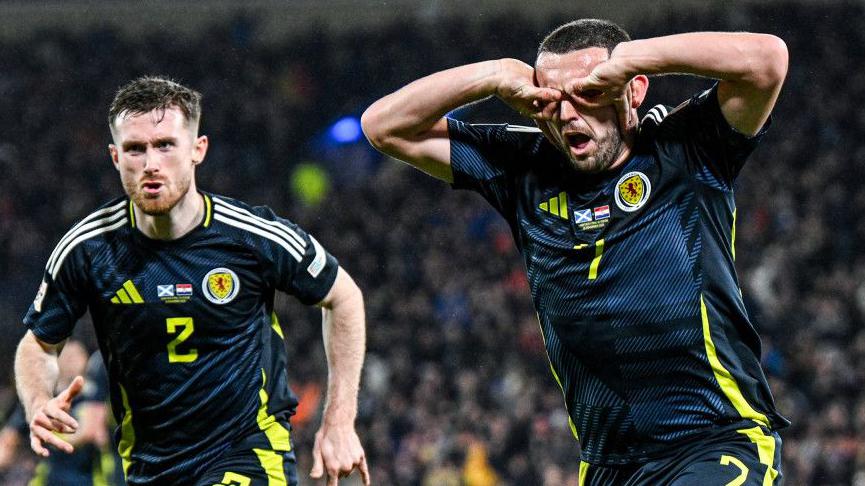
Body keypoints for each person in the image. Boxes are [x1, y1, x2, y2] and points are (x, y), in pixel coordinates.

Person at [362, 19, 789, 485]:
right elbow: (384, 127)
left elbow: (767, 61)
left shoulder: (687, 148)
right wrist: (494, 74)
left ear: (633, 90)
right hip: (607, 466)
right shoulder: (522, 167)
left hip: (715, 442)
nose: (567, 115)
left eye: (588, 93)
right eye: (551, 100)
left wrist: (635, 58)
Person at [15, 76, 369, 486]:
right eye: (135, 148)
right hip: (151, 468)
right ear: (115, 156)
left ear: (197, 149)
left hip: (249, 453)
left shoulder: (251, 236)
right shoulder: (87, 249)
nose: (151, 163)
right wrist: (38, 401)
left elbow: (343, 296)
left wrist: (339, 420)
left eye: (165, 145)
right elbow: (39, 343)